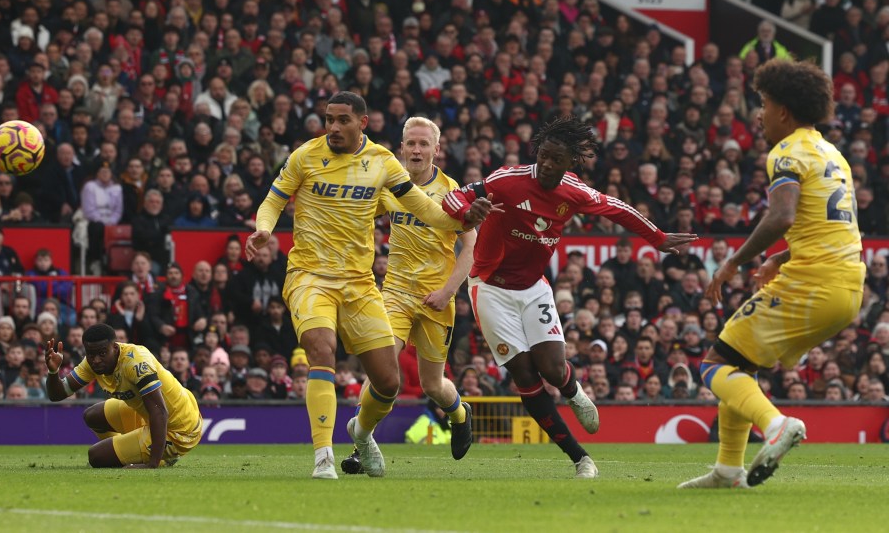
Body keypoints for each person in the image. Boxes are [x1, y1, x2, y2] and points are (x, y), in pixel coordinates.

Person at [243, 91, 495, 480]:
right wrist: (263, 230)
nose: (333, 127)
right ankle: (325, 455)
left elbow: (432, 214)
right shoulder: (305, 156)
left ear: (362, 122)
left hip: (386, 289)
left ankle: (433, 418)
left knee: (402, 382)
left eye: (342, 120)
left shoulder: (392, 169)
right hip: (323, 277)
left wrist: (462, 225)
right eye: (329, 119)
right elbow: (274, 200)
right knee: (321, 348)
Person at [442, 117, 696, 478]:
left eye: (555, 159)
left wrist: (656, 237)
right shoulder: (507, 180)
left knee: (553, 368)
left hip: (533, 288)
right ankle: (580, 458)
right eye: (543, 155)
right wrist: (467, 213)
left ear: (569, 164)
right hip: (491, 288)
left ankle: (573, 390)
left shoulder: (574, 191)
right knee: (525, 375)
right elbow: (453, 197)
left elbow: (617, 208)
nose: (546, 164)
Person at [681, 59, 865, 490]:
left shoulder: (786, 151)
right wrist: (778, 260)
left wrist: (734, 262)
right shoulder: (830, 153)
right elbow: (827, 225)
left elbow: (781, 215)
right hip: (846, 287)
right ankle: (728, 471)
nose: (758, 114)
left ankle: (777, 425)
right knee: (739, 363)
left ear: (784, 110)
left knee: (714, 366)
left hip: (814, 284)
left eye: (763, 103)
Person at [342, 116, 477, 474]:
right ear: (401, 148)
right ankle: (361, 444)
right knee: (380, 370)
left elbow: (470, 250)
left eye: (423, 144)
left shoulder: (451, 193)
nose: (416, 150)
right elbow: (362, 215)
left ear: (436, 149)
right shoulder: (390, 185)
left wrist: (448, 291)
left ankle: (461, 414)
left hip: (436, 298)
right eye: (410, 144)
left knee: (433, 385)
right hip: (396, 293)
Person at [44, 323, 203, 468]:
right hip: (152, 413)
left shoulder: (137, 363)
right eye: (91, 354)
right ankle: (129, 451)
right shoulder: (92, 362)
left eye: (102, 353)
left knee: (96, 457)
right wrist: (53, 371)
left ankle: (160, 458)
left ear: (114, 347)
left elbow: (160, 411)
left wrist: (151, 464)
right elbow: (57, 394)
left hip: (179, 429)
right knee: (92, 416)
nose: (96, 360)